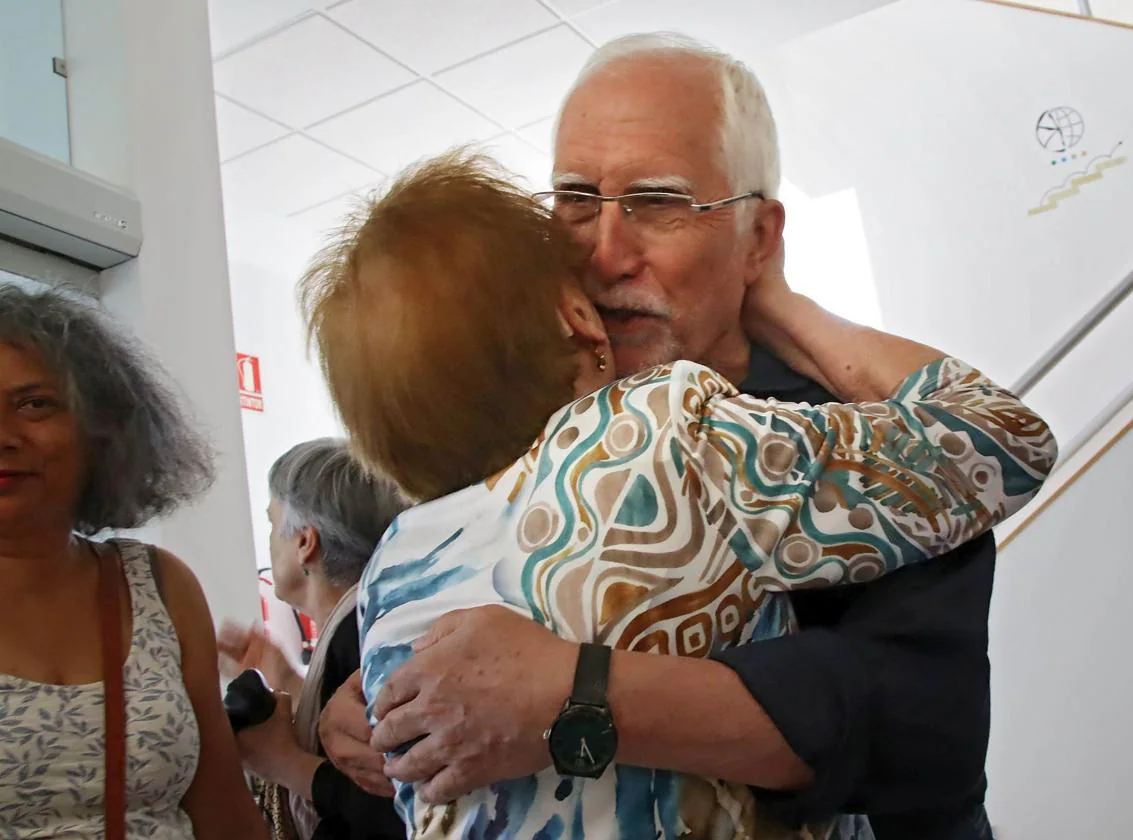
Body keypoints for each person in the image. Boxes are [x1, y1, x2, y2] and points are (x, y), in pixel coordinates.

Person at [318, 33, 1017, 840]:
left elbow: (927, 731)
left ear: (759, 236)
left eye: (657, 203)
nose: (607, 252)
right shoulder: (505, 430)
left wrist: (575, 694)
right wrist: (370, 709)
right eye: (577, 199)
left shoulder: (854, 433)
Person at [0, 284, 268, 839]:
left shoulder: (157, 585)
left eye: (34, 404)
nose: (3, 436)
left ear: (102, 431)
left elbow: (224, 813)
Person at [217, 438, 407, 840]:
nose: (271, 540)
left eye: (273, 524)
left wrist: (281, 761)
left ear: (305, 542)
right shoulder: (365, 621)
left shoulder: (360, 635)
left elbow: (389, 802)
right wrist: (285, 680)